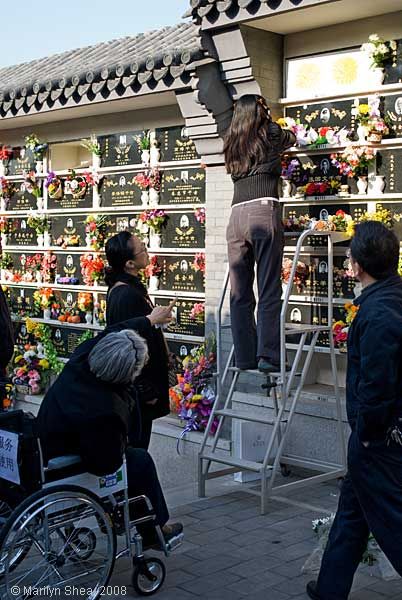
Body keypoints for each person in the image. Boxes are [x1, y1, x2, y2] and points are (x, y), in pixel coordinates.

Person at [307, 222, 402, 600]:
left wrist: (366, 433)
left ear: (358, 266)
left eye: (348, 255)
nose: (346, 260)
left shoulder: (379, 315)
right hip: (378, 434)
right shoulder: (390, 297)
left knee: (392, 520)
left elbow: (378, 386)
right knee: (352, 512)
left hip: (379, 438)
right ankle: (330, 588)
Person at [37, 307, 182, 546]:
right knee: (138, 462)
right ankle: (154, 530)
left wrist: (147, 320)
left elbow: (111, 332)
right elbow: (106, 464)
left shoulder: (82, 360)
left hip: (49, 440)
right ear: (126, 374)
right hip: (66, 461)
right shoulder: (106, 410)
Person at [224, 94, 296, 373]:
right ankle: (269, 356)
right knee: (268, 288)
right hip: (262, 212)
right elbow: (290, 138)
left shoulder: (231, 140)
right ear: (259, 111)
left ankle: (244, 357)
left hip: (236, 217)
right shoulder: (271, 131)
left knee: (240, 292)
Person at [105, 231, 170, 450]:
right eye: (142, 249)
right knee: (135, 451)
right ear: (130, 263)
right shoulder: (125, 295)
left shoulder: (129, 288)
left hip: (139, 393)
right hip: (137, 396)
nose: (147, 251)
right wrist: (145, 391)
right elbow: (128, 346)